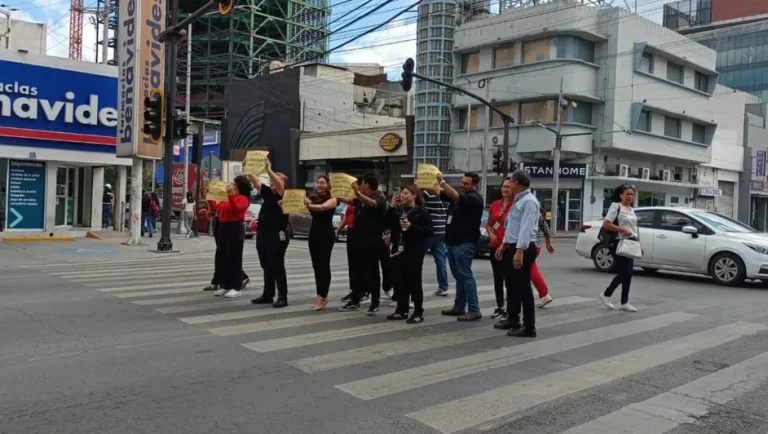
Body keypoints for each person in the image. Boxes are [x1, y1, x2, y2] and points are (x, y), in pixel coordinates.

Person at [494, 170, 540, 338]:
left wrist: (519, 251)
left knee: (523, 287)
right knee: (511, 285)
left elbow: (526, 229)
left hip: (523, 248)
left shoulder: (529, 202)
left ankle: (529, 326)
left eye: (511, 183)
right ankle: (513, 319)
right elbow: (512, 226)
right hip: (511, 246)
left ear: (517, 184)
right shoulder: (518, 200)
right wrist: (504, 244)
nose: (509, 186)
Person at [438, 173, 484, 322]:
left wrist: (443, 182)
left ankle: (474, 310)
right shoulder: (458, 197)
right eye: (462, 182)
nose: (462, 185)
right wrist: (427, 179)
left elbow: (454, 194)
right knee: (459, 276)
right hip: (452, 242)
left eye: (466, 183)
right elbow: (437, 192)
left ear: (474, 186)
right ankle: (459, 307)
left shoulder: (474, 199)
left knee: (465, 276)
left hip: (465, 243)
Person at [340, 172, 387, 314]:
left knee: (372, 272)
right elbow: (347, 200)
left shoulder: (379, 198)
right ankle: (355, 299)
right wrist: (334, 191)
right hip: (358, 239)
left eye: (361, 185)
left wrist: (358, 194)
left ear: (366, 185)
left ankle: (375, 302)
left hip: (372, 241)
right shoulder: (358, 198)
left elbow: (373, 204)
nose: (360, 187)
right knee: (356, 270)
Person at [386, 185, 432, 324]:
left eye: (406, 193)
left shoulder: (421, 211)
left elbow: (429, 230)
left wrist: (411, 227)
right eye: (402, 193)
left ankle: (418, 311)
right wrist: (392, 208)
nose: (403, 195)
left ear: (414, 195)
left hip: (414, 250)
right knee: (400, 281)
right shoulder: (399, 210)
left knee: (414, 281)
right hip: (398, 249)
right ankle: (402, 309)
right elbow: (387, 224)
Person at [249, 162, 290, 308]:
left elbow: (279, 185)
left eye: (276, 181)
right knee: (266, 264)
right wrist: (248, 168)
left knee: (277, 264)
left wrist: (269, 169)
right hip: (263, 233)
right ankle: (268, 294)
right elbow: (256, 181)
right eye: (271, 182)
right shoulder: (267, 194)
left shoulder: (284, 194)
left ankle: (282, 296)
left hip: (277, 234)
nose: (273, 184)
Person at [599, 184, 639, 312]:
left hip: (631, 243)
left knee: (629, 274)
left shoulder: (631, 209)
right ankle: (606, 294)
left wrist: (639, 243)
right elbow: (606, 224)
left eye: (632, 194)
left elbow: (634, 229)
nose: (630, 196)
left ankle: (624, 302)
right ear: (621, 195)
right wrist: (622, 229)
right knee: (624, 272)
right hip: (618, 242)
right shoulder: (616, 206)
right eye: (627, 194)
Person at [211, 175, 251, 298]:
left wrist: (231, 196)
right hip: (224, 226)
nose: (231, 185)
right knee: (224, 256)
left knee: (235, 257)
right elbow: (216, 208)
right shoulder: (227, 198)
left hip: (235, 227)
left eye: (234, 184)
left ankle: (236, 286)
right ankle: (226, 285)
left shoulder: (243, 198)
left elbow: (238, 209)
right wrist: (209, 197)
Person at [305, 175, 337, 311]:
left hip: (326, 233)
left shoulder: (333, 197)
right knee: (316, 265)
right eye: (318, 182)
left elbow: (323, 208)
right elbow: (301, 203)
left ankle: (323, 296)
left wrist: (309, 205)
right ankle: (319, 295)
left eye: (322, 183)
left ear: (329, 185)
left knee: (324, 265)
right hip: (314, 232)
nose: (319, 185)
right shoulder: (314, 196)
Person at [486, 178, 515, 320]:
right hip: (494, 246)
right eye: (503, 186)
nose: (505, 189)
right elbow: (489, 224)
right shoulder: (495, 204)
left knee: (509, 279)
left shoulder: (516, 205)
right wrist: (490, 233)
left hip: (508, 247)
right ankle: (500, 306)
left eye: (508, 187)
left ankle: (510, 309)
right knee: (497, 277)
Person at [420, 183, 449, 297]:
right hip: (441, 231)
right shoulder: (443, 194)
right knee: (440, 260)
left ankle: (415, 285)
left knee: (417, 258)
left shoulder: (427, 193)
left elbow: (419, 201)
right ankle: (443, 287)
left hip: (430, 231)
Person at [533, 205, 556, 308]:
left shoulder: (528, 214)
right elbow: (546, 231)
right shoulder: (539, 216)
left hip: (528, 245)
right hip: (536, 246)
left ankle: (544, 294)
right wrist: (548, 244)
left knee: (531, 270)